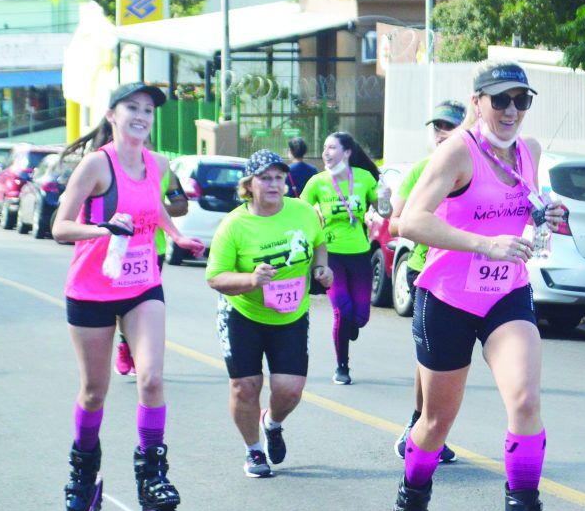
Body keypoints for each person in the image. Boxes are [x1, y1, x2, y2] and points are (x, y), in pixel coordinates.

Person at [388, 61, 565, 511]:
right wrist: (485, 243)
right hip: (446, 296)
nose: (511, 110)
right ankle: (410, 508)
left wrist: (548, 214)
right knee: (437, 423)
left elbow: (526, 207)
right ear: (477, 101)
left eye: (521, 100)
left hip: (506, 292)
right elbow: (410, 221)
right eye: (500, 99)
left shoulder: (530, 152)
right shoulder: (458, 151)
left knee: (526, 401)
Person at [52, 82, 205, 511]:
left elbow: (154, 206)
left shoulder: (157, 163)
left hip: (141, 284)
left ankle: (153, 473)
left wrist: (175, 234)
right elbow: (59, 226)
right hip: (92, 290)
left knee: (152, 378)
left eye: (148, 111)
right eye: (132, 108)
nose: (142, 116)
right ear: (113, 115)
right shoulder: (96, 164)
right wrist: (101, 228)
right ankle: (82, 473)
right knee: (95, 391)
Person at [206, 150, 333, 478]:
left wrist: (321, 267)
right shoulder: (233, 226)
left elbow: (319, 242)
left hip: (290, 314)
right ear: (249, 185)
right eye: (265, 178)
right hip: (242, 314)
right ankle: (253, 450)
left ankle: (272, 423)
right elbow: (215, 277)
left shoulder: (302, 212)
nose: (273, 184)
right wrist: (250, 280)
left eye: (279, 177)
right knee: (245, 386)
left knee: (290, 389)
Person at [389, 100, 465, 464]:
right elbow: (395, 221)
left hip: (471, 275)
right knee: (430, 359)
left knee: (450, 363)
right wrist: (429, 225)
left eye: (449, 126)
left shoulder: (479, 166)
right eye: (436, 127)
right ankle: (420, 423)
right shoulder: (422, 169)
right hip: (426, 268)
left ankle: (430, 426)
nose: (441, 134)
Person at [300, 132, 390, 385]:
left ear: (347, 152)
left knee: (360, 317)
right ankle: (342, 367)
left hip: (360, 254)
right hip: (330, 256)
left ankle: (350, 325)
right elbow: (301, 212)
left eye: (332, 148)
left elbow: (385, 211)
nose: (326, 153)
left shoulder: (363, 178)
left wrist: (384, 199)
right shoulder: (317, 182)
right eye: (325, 148)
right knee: (342, 310)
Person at [114, 159, 189, 377]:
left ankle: (136, 350)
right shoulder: (113, 167)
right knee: (122, 302)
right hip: (121, 246)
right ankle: (125, 343)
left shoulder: (164, 171)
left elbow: (181, 205)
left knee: (144, 303)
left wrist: (152, 205)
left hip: (153, 249)